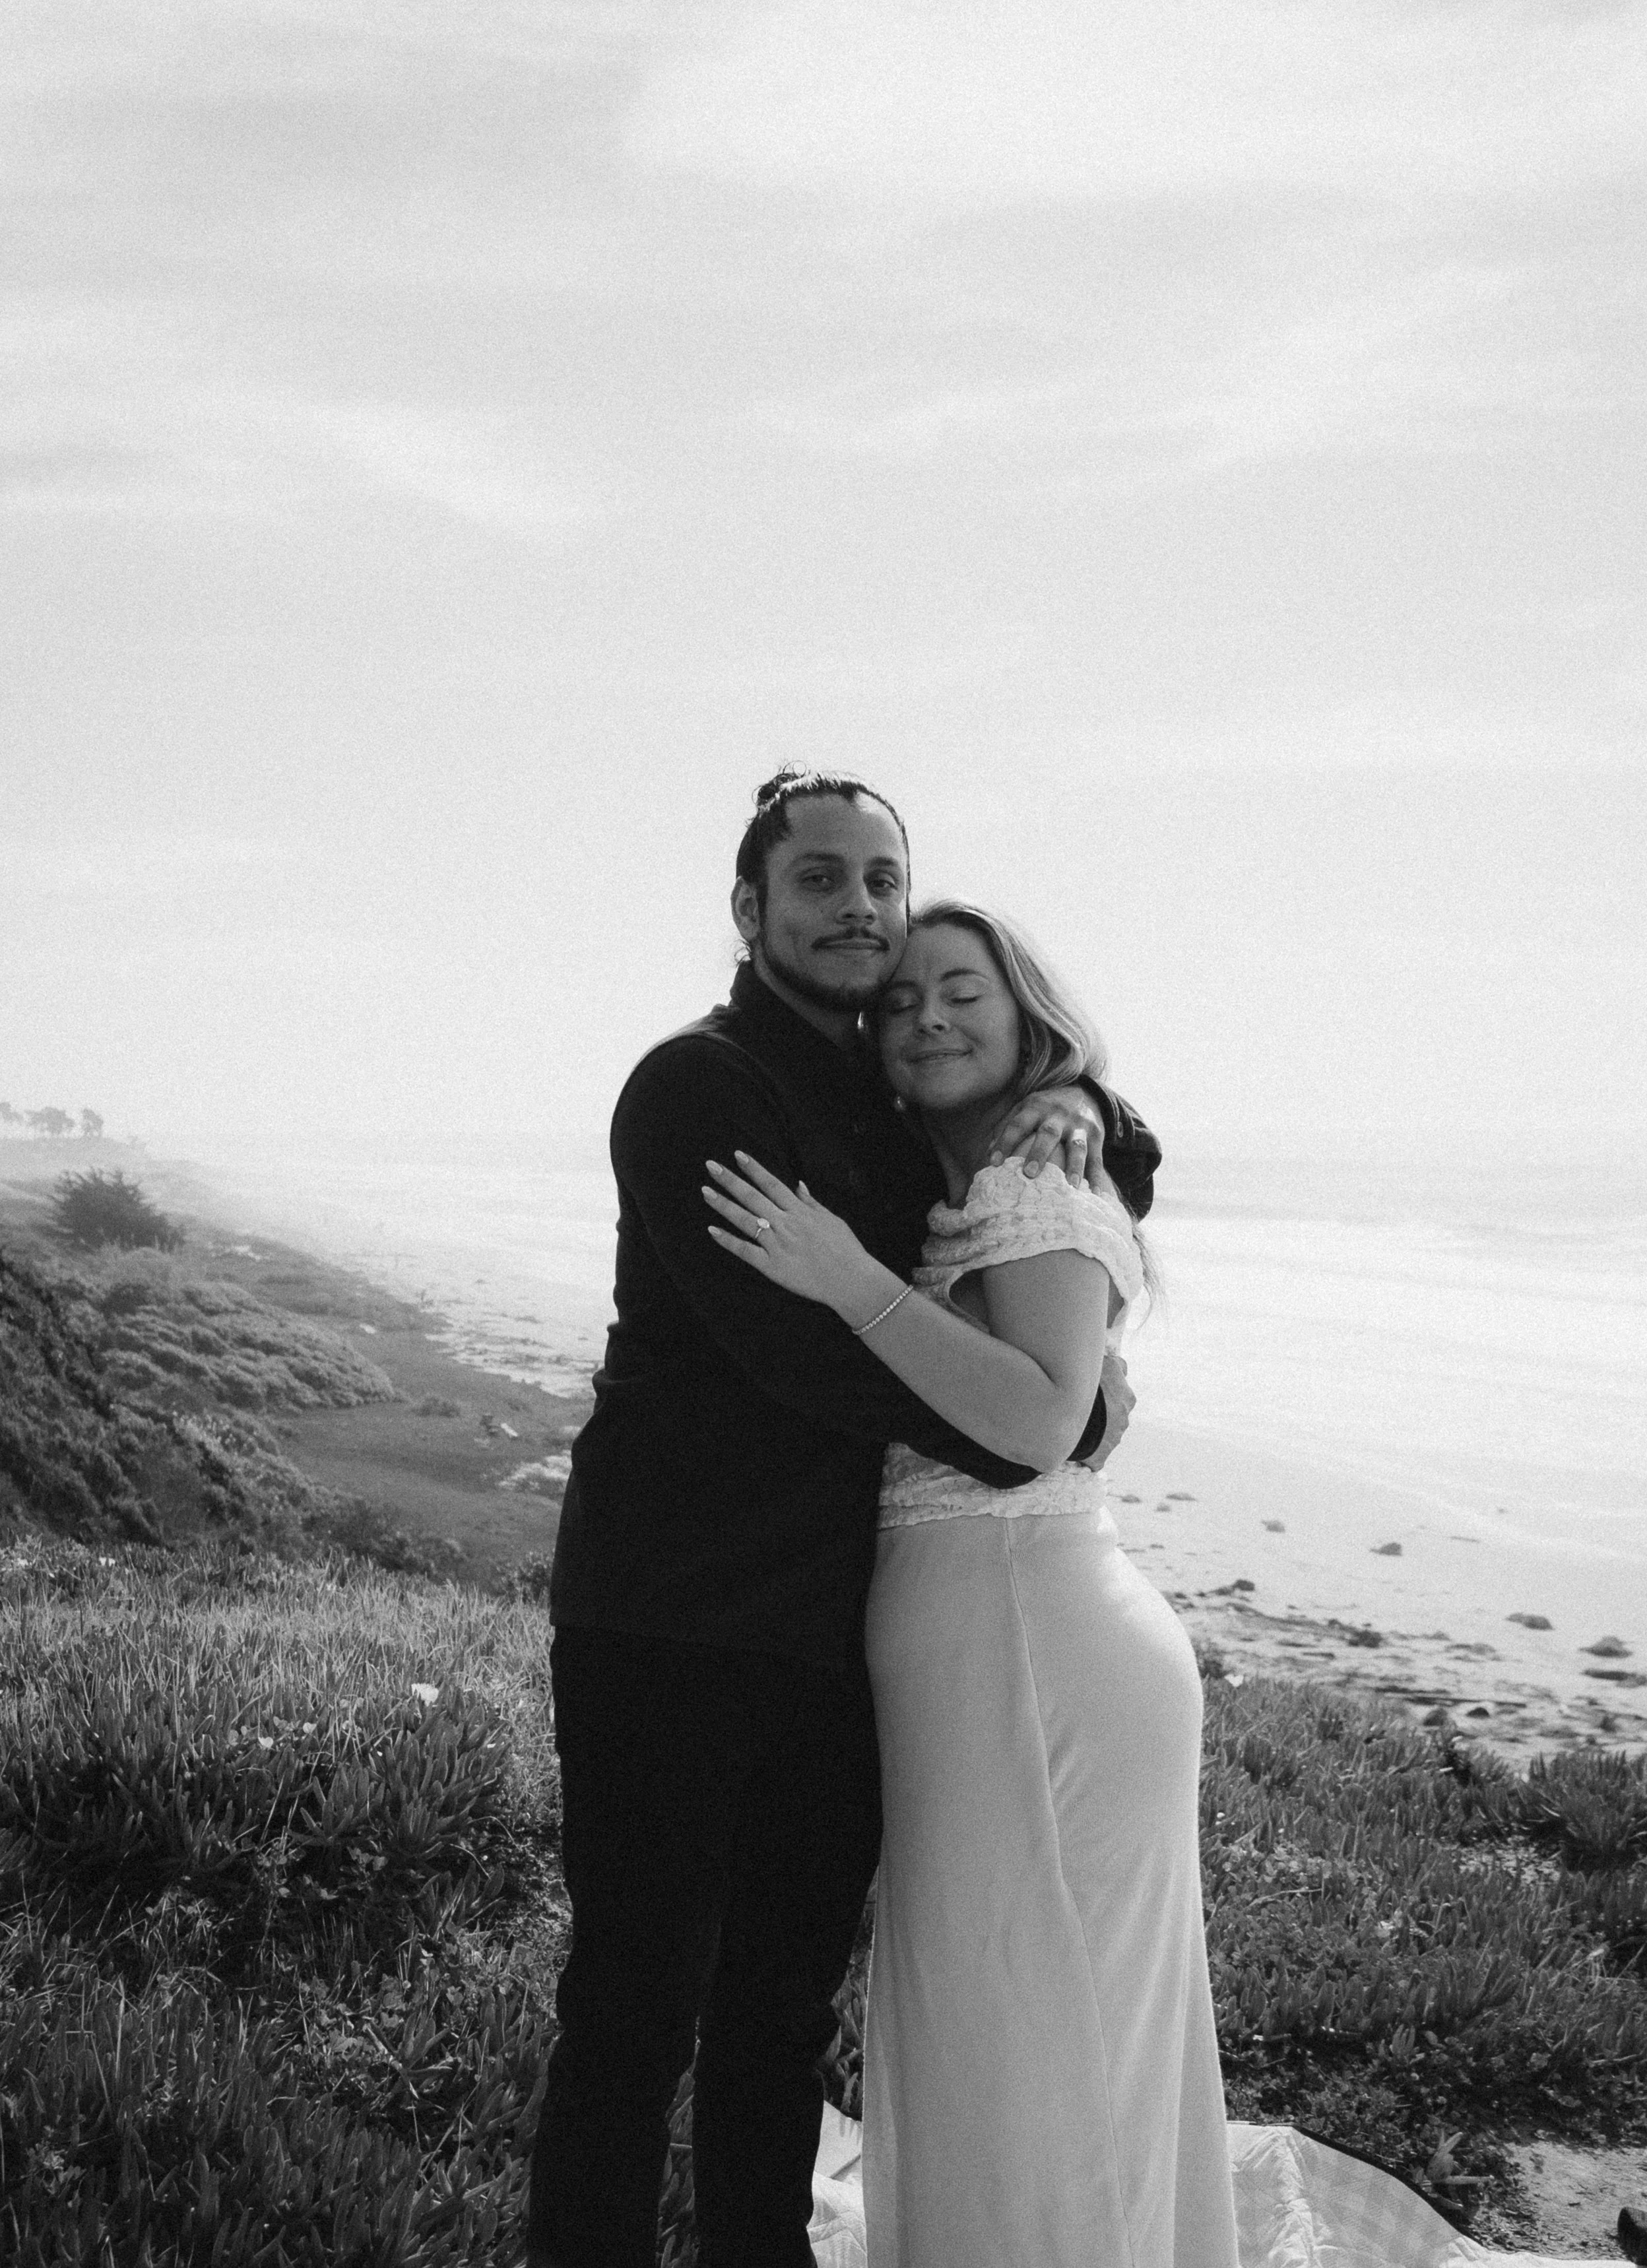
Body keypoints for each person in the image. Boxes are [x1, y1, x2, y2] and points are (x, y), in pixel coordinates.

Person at [529, 772, 1161, 2268]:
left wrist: (1086, 1106)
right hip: (667, 1617)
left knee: (779, 2009)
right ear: (750, 909)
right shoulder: (696, 1085)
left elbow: (1087, 1161)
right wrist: (1047, 1421)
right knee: (635, 2004)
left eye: (884, 879)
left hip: (832, 1629)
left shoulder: (884, 1089)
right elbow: (795, 1353)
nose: (861, 908)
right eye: (821, 879)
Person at [704, 899, 1239, 2268]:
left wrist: (849, 1281)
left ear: (1026, 1018)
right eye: (901, 1000)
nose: (927, 1016)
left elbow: (1040, 1420)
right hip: (984, 1643)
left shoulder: (1034, 1184)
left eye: (963, 992)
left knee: (1035, 2025)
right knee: (1006, 2020)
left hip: (1033, 1645)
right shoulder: (966, 1182)